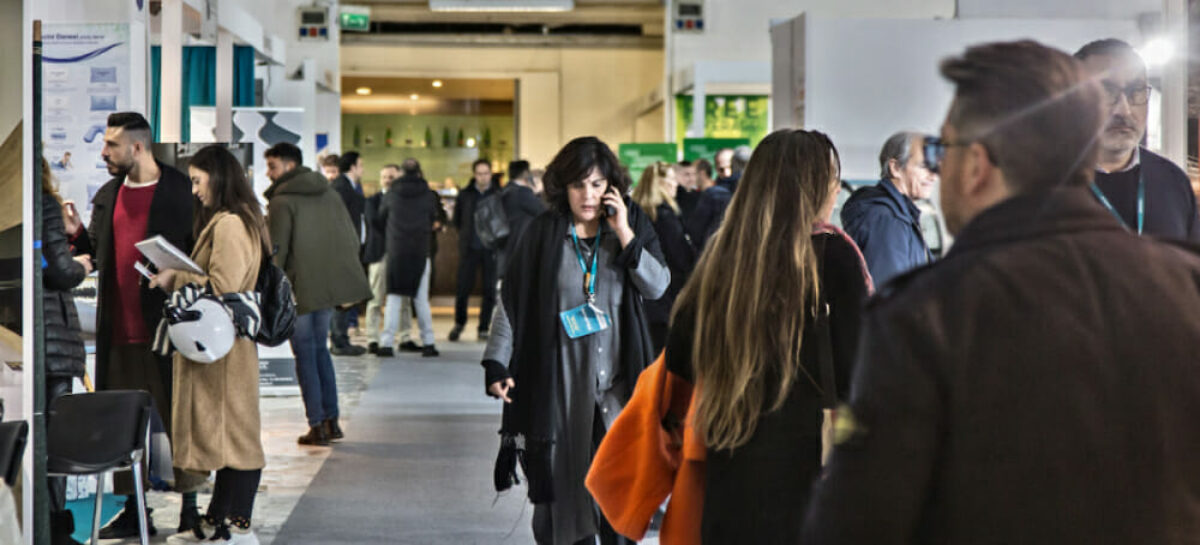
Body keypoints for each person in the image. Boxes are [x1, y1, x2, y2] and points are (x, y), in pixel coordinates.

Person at [802, 40, 1200, 545]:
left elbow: (856, 523)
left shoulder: (927, 315)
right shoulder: (1186, 287)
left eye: (941, 152)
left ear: (976, 165)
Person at [588, 130, 872, 544]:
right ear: (813, 188)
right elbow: (860, 369)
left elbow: (681, 358)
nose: (834, 189)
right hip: (807, 474)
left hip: (727, 468)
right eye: (831, 179)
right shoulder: (833, 257)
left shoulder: (724, 256)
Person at [482, 136, 669, 545]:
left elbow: (657, 286)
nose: (588, 195)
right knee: (563, 500)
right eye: (578, 185)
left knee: (617, 497)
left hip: (618, 390)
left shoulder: (631, 223)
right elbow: (512, 301)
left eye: (597, 184)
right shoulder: (543, 233)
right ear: (562, 187)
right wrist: (497, 363)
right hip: (560, 388)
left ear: (611, 187)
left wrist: (624, 233)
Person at [64, 111, 204, 537]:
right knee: (123, 427)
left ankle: (191, 506)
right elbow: (98, 252)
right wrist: (77, 234)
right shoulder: (108, 194)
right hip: (118, 331)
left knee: (180, 419)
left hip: (168, 330)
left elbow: (201, 256)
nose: (103, 152)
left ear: (137, 147)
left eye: (111, 144)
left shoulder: (181, 190)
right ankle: (133, 509)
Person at [150, 146, 267, 544]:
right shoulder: (233, 219)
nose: (194, 190)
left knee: (234, 438)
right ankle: (220, 523)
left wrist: (175, 279)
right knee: (229, 436)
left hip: (222, 351)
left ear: (218, 178)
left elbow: (223, 287)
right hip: (221, 349)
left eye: (198, 181)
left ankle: (237, 526)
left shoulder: (230, 224)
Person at [264, 143, 371, 446]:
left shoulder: (282, 201)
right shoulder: (329, 193)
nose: (269, 173)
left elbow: (277, 254)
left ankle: (316, 424)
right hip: (325, 288)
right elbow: (349, 237)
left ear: (289, 166)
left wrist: (271, 292)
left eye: (272, 166)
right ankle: (331, 421)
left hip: (298, 290)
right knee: (320, 350)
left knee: (305, 355)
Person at [1075, 39, 1200, 241]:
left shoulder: (1173, 181)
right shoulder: (1040, 184)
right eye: (1106, 92)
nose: (1124, 110)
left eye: (1136, 91)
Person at [42, 159, 93, 545]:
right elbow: (59, 271)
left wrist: (73, 235)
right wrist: (82, 264)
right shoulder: (43, 202)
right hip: (53, 344)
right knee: (53, 441)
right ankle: (53, 527)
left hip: (24, 335)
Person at [840, 131, 936, 285]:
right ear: (896, 168)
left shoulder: (902, 216)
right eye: (923, 166)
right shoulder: (888, 220)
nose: (933, 176)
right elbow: (889, 291)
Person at [378, 159, 441, 358]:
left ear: (402, 173)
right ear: (419, 172)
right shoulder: (428, 195)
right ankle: (428, 342)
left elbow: (380, 219)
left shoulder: (392, 194)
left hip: (397, 251)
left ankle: (386, 344)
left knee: (394, 298)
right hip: (420, 251)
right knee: (421, 300)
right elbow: (435, 218)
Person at [631, 161, 697, 353]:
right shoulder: (666, 217)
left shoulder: (636, 216)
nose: (676, 184)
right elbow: (681, 258)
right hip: (667, 297)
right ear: (659, 183)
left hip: (643, 298)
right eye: (672, 180)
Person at [450, 158, 499, 341]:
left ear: (491, 174)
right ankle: (459, 323)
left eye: (486, 173)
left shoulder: (498, 194)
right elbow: (457, 220)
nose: (483, 177)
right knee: (463, 288)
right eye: (479, 174)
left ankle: (483, 327)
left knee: (489, 290)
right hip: (469, 247)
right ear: (474, 175)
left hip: (491, 249)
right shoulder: (465, 194)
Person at [328, 151, 367, 355]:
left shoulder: (348, 186)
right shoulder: (341, 188)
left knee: (346, 295)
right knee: (341, 296)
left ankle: (341, 338)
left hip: (348, 249)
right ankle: (339, 340)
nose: (363, 169)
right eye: (361, 165)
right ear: (352, 166)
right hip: (341, 250)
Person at [364, 164, 397, 355]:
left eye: (391, 177)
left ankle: (405, 336)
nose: (387, 180)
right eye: (384, 177)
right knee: (375, 298)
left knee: (403, 301)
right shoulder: (372, 201)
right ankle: (372, 338)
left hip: (400, 255)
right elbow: (375, 223)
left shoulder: (403, 200)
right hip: (379, 253)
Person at [497, 159, 547, 275]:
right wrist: (539, 191)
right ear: (525, 173)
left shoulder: (506, 189)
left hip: (506, 245)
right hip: (519, 245)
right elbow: (543, 211)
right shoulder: (522, 192)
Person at [686, 151, 741, 251]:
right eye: (721, 169)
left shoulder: (714, 194)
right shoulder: (712, 193)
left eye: (730, 167)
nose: (727, 173)